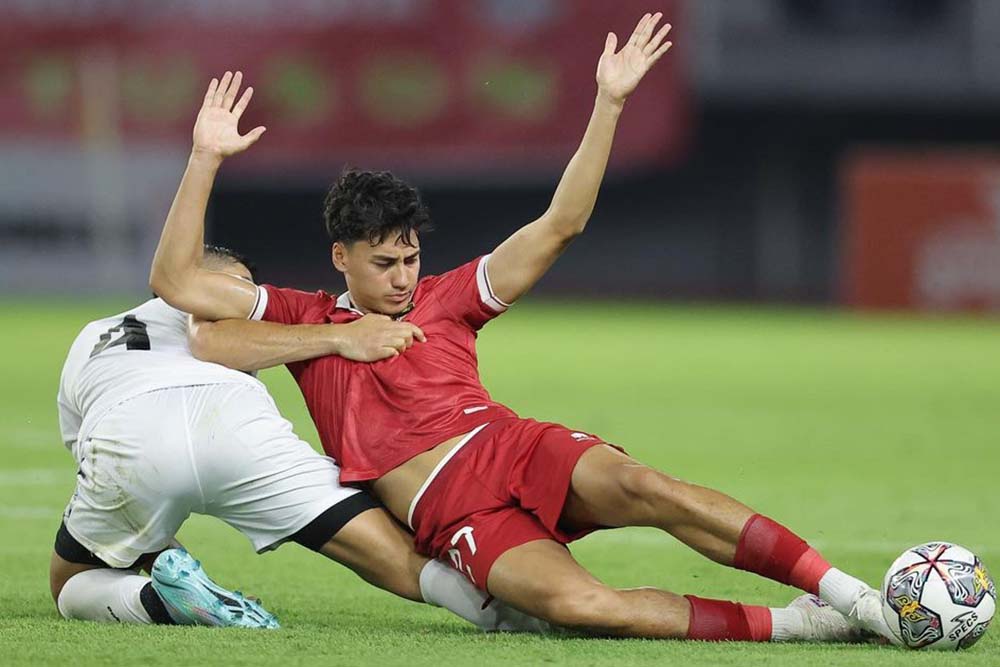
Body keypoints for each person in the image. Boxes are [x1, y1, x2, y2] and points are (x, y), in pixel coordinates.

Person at [152, 13, 894, 643]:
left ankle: (848, 591)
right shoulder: (304, 318)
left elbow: (561, 224)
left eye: (411, 257)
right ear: (340, 255)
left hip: (508, 445)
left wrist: (608, 103)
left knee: (645, 486)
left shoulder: (449, 298)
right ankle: (804, 625)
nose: (404, 277)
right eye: (384, 263)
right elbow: (179, 288)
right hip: (450, 510)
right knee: (582, 607)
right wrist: (204, 159)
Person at [53, 246, 546, 632]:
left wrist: (160, 552)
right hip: (240, 428)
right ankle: (523, 615)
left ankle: (159, 602)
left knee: (72, 581)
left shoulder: (92, 335)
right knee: (400, 559)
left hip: (125, 432)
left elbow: (93, 455)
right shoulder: (235, 314)